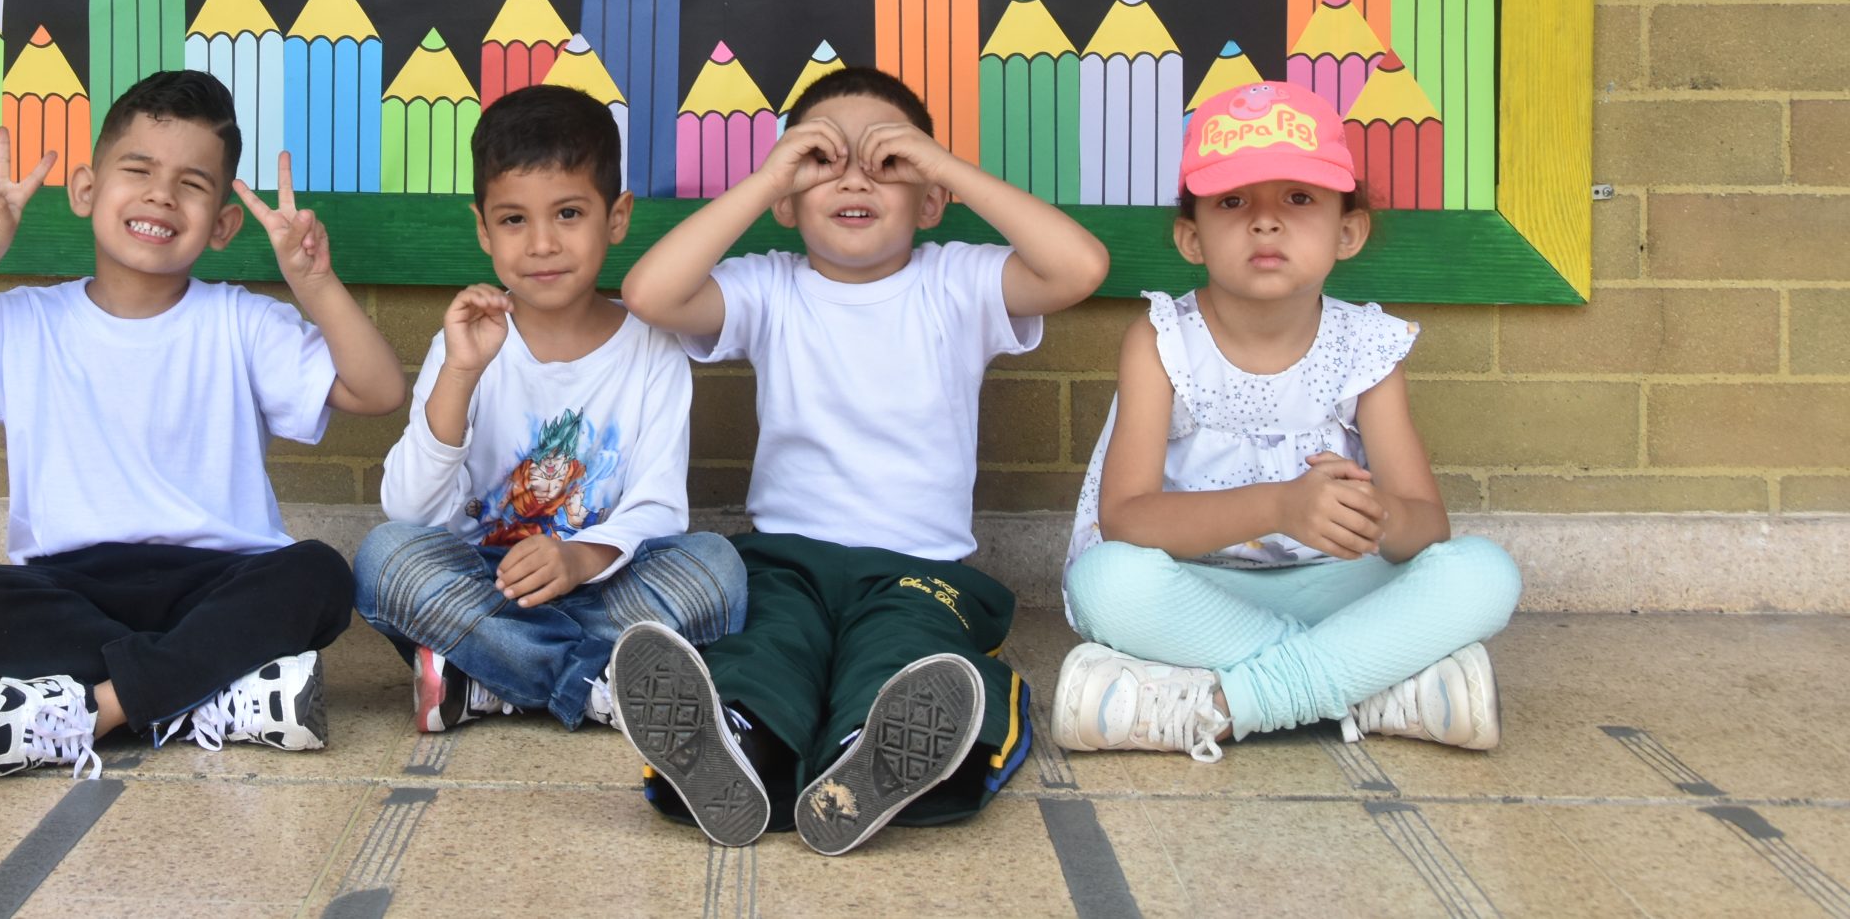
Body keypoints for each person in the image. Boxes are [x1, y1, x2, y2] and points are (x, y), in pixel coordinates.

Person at [0, 68, 407, 780]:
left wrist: (313, 281)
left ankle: (93, 708)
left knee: (319, 575)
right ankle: (215, 693)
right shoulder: (24, 321)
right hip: (71, 583)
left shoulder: (242, 320)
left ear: (223, 224)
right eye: (138, 170)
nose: (161, 195)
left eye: (192, 184)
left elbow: (378, 390)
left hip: (220, 579)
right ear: (86, 189)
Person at [612, 65, 1111, 855]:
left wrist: (940, 162)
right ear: (787, 201)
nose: (854, 179)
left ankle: (861, 757)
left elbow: (1079, 267)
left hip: (918, 568)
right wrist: (768, 179)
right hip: (785, 560)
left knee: (905, 659)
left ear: (930, 199)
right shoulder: (769, 288)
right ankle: (741, 745)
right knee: (765, 651)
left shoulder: (957, 281)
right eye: (822, 161)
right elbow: (650, 293)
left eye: (888, 161)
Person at [1052, 80, 1521, 762]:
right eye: (1232, 201)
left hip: (1339, 585)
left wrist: (1375, 515)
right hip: (1202, 589)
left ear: (1347, 231)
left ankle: (1225, 704)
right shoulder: (1162, 341)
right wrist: (1279, 506)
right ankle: (1370, 689)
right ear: (1191, 237)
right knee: (1107, 584)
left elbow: (1425, 527)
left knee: (1484, 573)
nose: (1265, 223)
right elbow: (1126, 519)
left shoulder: (1365, 346)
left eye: (1299, 199)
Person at [354, 85, 747, 734]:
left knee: (717, 569)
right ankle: (598, 682)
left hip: (602, 582)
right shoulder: (465, 345)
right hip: (486, 583)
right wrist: (461, 372)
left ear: (616, 217)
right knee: (386, 558)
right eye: (514, 220)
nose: (541, 243)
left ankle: (490, 676)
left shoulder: (653, 348)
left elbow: (658, 509)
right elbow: (411, 509)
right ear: (483, 229)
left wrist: (579, 559)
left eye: (568, 213)